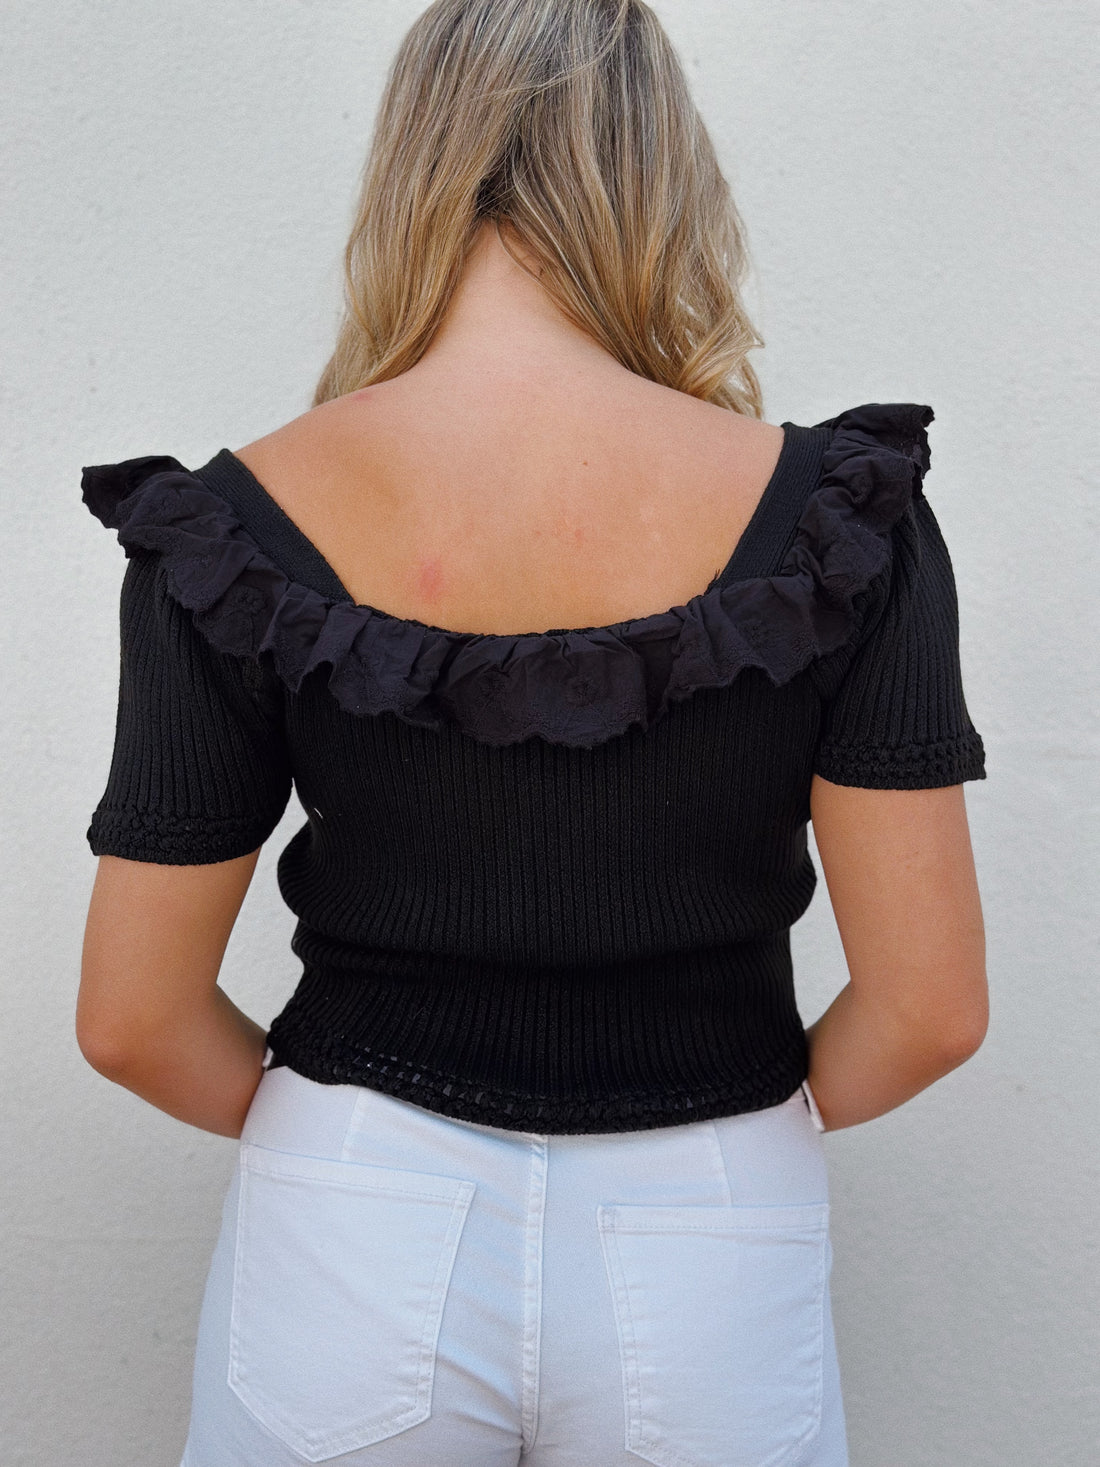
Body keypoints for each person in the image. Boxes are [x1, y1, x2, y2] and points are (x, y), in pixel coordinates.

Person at [76, 2, 989, 1464]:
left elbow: (131, 1021)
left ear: (410, 170)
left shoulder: (233, 525)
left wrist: (351, 1146)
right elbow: (931, 1009)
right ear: (661, 176)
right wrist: (723, 1135)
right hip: (713, 1212)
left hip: (354, 1206)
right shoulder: (841, 521)